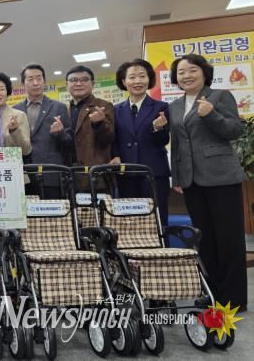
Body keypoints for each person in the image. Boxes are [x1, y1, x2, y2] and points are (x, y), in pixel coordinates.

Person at [169, 53, 247, 310]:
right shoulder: (175, 105)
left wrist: (212, 115)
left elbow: (236, 130)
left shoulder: (220, 97)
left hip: (221, 176)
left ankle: (233, 297)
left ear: (204, 73)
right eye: (181, 72)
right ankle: (213, 291)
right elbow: (177, 144)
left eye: (192, 70)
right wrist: (177, 176)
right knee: (204, 239)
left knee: (229, 238)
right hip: (191, 180)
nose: (186, 76)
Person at [110, 59, 171, 227]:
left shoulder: (162, 107)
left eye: (142, 76)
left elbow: (164, 140)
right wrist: (115, 155)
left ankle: (161, 245)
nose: (137, 81)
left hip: (154, 173)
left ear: (149, 79)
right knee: (131, 222)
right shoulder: (115, 110)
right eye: (132, 77)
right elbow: (113, 138)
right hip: (126, 173)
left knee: (158, 220)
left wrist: (157, 128)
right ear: (124, 82)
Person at [13, 64, 72, 197]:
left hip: (51, 173)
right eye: (30, 79)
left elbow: (69, 141)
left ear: (44, 81)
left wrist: (59, 133)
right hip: (23, 174)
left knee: (53, 209)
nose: (35, 83)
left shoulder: (59, 107)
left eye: (39, 78)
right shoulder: (15, 110)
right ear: (23, 83)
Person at [65, 65, 114, 167]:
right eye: (73, 80)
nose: (78, 84)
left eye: (84, 80)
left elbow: (109, 139)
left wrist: (99, 124)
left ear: (93, 84)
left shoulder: (103, 106)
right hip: (68, 169)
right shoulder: (64, 109)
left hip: (94, 169)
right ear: (67, 85)